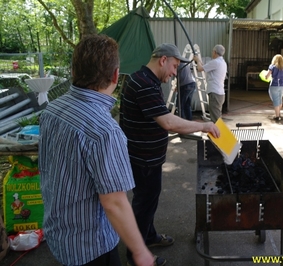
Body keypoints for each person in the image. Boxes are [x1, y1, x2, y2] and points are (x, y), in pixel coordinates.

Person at [38, 35, 154, 266]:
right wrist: (140, 251)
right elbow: (114, 202)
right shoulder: (105, 131)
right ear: (114, 75)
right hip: (91, 247)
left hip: (58, 234)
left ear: (73, 71)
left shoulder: (52, 110)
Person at [119, 43, 220, 266]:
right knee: (144, 204)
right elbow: (167, 122)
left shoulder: (145, 79)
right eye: (174, 66)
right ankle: (137, 256)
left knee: (149, 200)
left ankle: (149, 236)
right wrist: (203, 126)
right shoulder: (144, 84)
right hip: (143, 158)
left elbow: (159, 116)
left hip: (146, 156)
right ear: (163, 60)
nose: (175, 73)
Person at [193, 44, 227, 123]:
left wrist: (197, 60)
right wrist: (199, 61)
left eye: (212, 51)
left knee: (216, 119)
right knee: (217, 116)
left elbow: (200, 68)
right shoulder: (222, 62)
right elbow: (205, 67)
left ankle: (218, 134)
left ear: (215, 52)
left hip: (215, 93)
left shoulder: (215, 62)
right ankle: (218, 133)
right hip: (220, 93)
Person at [264, 54, 283, 121]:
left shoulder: (272, 67)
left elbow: (267, 75)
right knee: (279, 99)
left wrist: (265, 77)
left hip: (274, 86)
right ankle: (278, 113)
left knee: (275, 100)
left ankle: (277, 116)